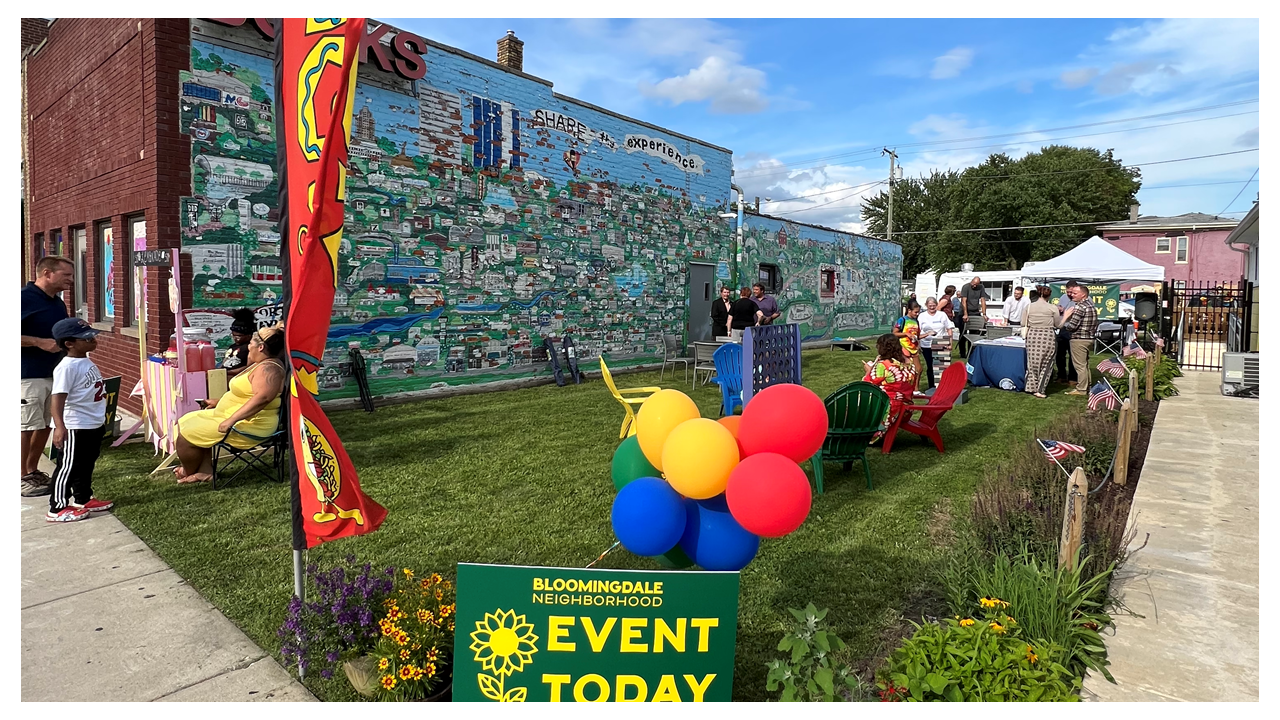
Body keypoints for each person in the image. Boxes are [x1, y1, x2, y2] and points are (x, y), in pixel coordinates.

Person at [173, 324, 287, 484]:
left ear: (260, 347)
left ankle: (187, 471)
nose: (249, 346)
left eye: (251, 343)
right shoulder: (260, 364)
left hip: (250, 425)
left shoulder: (269, 369)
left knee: (186, 435)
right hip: (231, 416)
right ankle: (205, 471)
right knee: (188, 420)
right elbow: (245, 394)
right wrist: (219, 402)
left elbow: (262, 398)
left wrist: (231, 420)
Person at [46, 318, 113, 522]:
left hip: (92, 423)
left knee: (86, 463)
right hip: (75, 425)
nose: (93, 340)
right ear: (69, 343)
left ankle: (83, 498)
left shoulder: (84, 360)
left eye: (92, 335)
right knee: (68, 466)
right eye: (86, 338)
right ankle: (57, 507)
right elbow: (57, 398)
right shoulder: (67, 367)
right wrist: (60, 427)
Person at [20, 256, 74, 497]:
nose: (71, 281)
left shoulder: (57, 302)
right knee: (25, 426)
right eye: (66, 276)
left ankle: (32, 470)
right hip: (27, 375)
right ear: (46, 273)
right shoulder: (22, 299)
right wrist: (37, 342)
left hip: (54, 373)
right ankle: (20, 476)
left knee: (44, 424)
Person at [861, 334, 919, 444]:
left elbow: (867, 383)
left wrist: (868, 370)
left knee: (857, 398)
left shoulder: (884, 365)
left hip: (887, 410)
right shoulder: (910, 364)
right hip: (906, 410)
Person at [1023, 285, 1062, 399]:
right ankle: (1040, 389)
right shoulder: (1052, 308)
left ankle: (1030, 387)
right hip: (1047, 336)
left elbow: (1022, 322)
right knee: (1046, 364)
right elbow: (1058, 325)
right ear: (1049, 295)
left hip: (1032, 335)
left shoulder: (1029, 306)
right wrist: (1066, 316)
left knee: (1032, 362)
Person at [1060, 281, 1099, 396]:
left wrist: (1065, 322)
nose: (1072, 295)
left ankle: (1081, 389)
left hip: (1079, 339)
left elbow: (1072, 326)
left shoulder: (1079, 307)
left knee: (1080, 366)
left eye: (1075, 293)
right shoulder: (1091, 306)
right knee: (1085, 364)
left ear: (1083, 295)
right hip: (1089, 338)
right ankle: (1088, 385)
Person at [917, 297, 955, 390]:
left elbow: (949, 328)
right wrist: (918, 344)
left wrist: (950, 342)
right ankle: (932, 386)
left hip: (941, 342)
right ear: (926, 305)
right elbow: (917, 331)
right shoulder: (922, 316)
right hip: (926, 344)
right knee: (930, 365)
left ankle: (943, 385)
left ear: (937, 305)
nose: (932, 308)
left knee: (942, 365)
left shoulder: (942, 315)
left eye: (934, 306)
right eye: (930, 306)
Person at [893, 299, 924, 392]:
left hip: (914, 348)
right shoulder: (902, 320)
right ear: (909, 310)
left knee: (919, 369)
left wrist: (926, 336)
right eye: (915, 312)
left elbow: (917, 336)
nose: (917, 314)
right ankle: (903, 390)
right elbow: (894, 333)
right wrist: (906, 334)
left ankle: (916, 390)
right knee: (906, 370)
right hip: (904, 347)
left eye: (918, 312)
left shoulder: (916, 321)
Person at [956, 276, 987, 357]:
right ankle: (962, 353)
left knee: (974, 333)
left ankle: (971, 353)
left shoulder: (981, 287)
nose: (974, 286)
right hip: (964, 311)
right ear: (971, 281)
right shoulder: (966, 287)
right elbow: (964, 301)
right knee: (963, 333)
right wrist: (965, 314)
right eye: (973, 284)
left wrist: (984, 314)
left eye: (976, 284)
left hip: (975, 311)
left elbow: (983, 300)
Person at [222, 309, 257, 378]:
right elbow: (225, 362)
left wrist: (228, 372)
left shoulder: (250, 347)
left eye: (238, 336)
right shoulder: (232, 346)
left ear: (248, 335)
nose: (235, 338)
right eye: (233, 335)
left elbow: (249, 367)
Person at [1054, 288, 1077, 385]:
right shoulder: (1063, 297)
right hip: (1063, 328)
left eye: (1071, 292)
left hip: (1074, 329)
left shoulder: (1079, 298)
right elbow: (1059, 308)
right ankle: (1061, 375)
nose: (1069, 294)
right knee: (1060, 354)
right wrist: (1059, 309)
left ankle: (1073, 377)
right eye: (1067, 292)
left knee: (1073, 355)